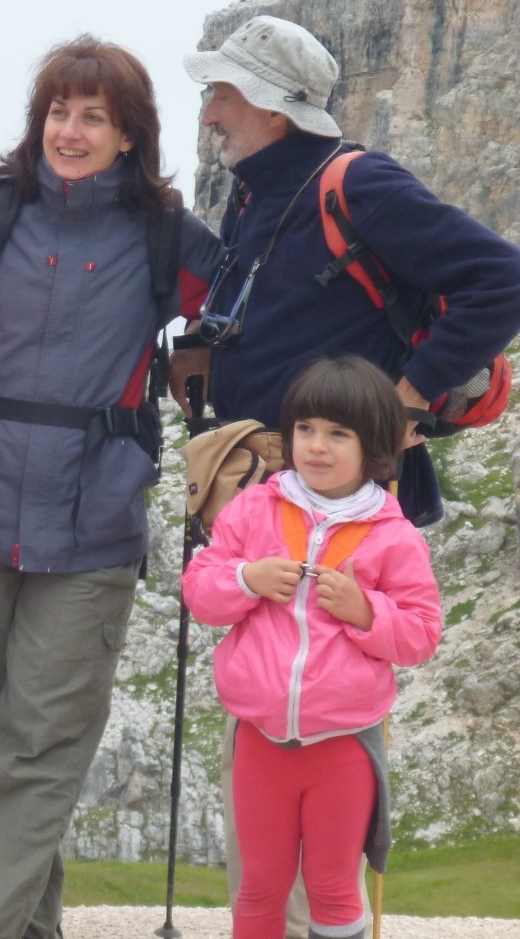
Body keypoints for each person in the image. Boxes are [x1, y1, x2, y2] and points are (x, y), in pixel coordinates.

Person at [179, 14, 520, 937]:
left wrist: (401, 404)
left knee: (327, 699)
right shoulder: (255, 196)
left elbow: (501, 276)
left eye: (222, 93)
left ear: (273, 110)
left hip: (352, 507)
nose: (208, 110)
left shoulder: (357, 184)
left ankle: (307, 919)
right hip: (269, 495)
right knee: (272, 687)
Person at [0, 35, 224, 939]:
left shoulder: (165, 235)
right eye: (58, 111)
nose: (70, 131)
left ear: (130, 137)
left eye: (94, 117)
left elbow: (246, 311)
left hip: (94, 530)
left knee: (37, 748)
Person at [182, 354, 442, 939]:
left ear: (375, 446)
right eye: (305, 429)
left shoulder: (392, 533)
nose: (317, 446)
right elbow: (200, 591)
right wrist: (246, 580)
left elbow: (423, 633)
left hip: (343, 746)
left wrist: (367, 612)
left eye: (338, 434)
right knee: (259, 889)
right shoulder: (255, 507)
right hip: (261, 740)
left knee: (330, 887)